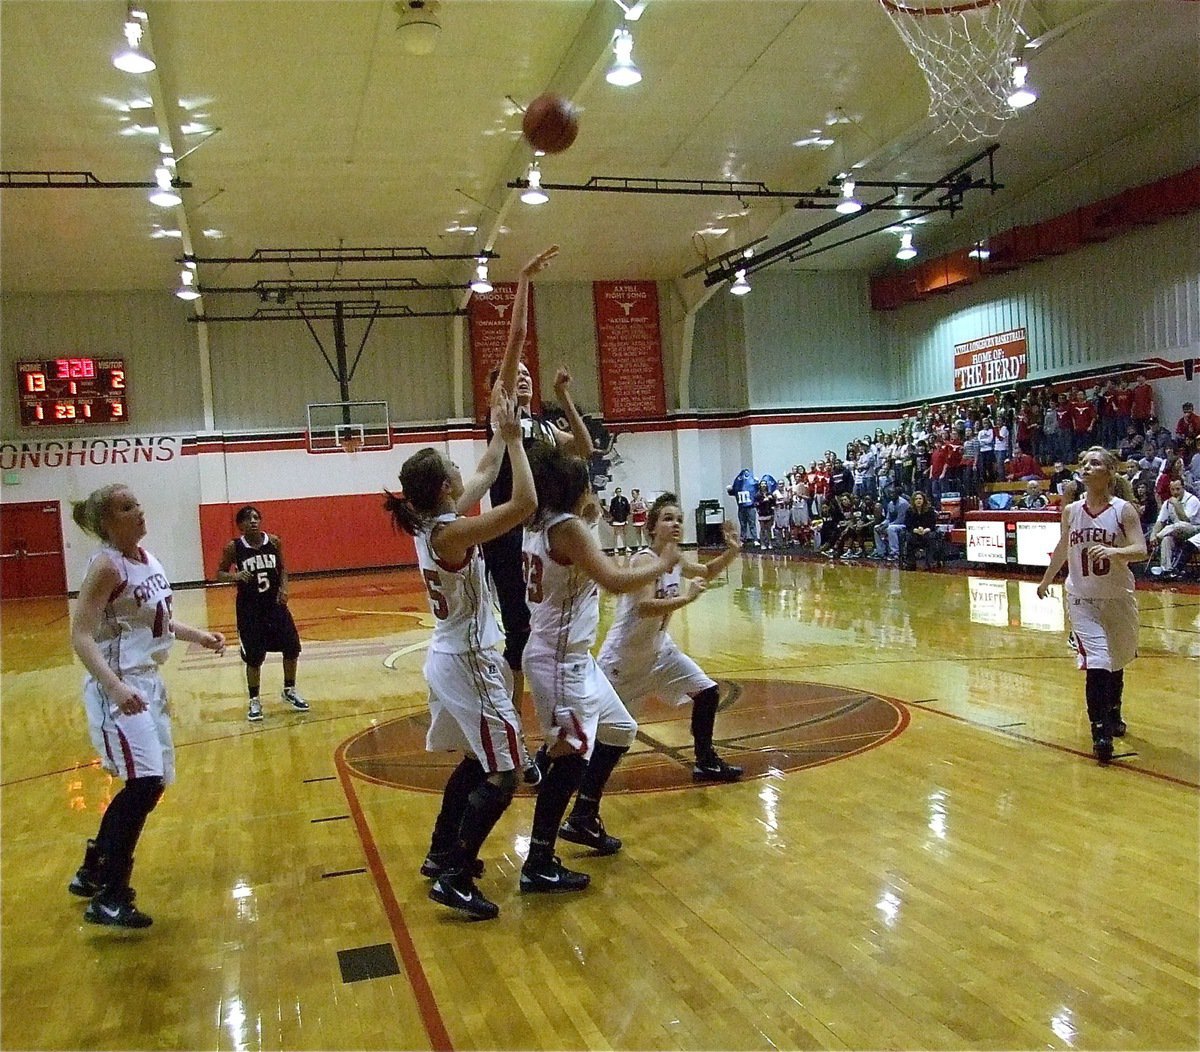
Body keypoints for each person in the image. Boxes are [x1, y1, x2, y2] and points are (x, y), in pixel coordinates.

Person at [384, 387, 536, 921]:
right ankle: (453, 876)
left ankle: (439, 853)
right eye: (456, 472)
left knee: (477, 762)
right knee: (505, 772)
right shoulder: (452, 532)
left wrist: (504, 422)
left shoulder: (434, 522)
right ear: (447, 488)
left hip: (451, 656)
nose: (463, 474)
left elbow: (489, 470)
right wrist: (518, 443)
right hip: (469, 662)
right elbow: (524, 505)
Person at [543, 497, 744, 855]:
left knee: (707, 691)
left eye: (679, 519)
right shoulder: (644, 560)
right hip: (623, 660)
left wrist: (731, 552)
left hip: (659, 652)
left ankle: (705, 760)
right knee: (595, 736)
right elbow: (645, 606)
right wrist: (685, 601)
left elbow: (705, 572)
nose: (676, 524)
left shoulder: (675, 558)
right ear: (651, 526)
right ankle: (548, 767)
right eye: (668, 519)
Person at [519, 443, 679, 893]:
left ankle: (583, 816)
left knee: (620, 729)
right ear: (575, 490)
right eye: (588, 482)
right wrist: (664, 563)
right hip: (557, 658)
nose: (594, 486)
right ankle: (539, 858)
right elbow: (613, 581)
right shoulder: (568, 528)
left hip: (573, 654)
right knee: (570, 758)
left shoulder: (542, 519)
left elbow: (579, 466)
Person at [68, 485, 226, 928]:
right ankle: (111, 894)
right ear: (106, 523)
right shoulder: (106, 566)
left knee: (151, 784)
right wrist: (115, 688)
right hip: (119, 689)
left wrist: (198, 635)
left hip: (147, 684)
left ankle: (93, 869)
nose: (138, 510)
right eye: (125, 507)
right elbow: (81, 636)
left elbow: (155, 619)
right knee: (144, 784)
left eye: (137, 502)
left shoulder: (146, 559)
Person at [483, 245, 594, 727]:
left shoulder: (547, 428)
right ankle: (513, 720)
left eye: (529, 376)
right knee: (518, 633)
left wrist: (566, 396)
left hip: (543, 535)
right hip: (508, 534)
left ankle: (556, 718)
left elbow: (586, 447)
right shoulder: (504, 418)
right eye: (516, 375)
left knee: (549, 629)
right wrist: (524, 279)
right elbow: (517, 338)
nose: (523, 378)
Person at [1037, 447, 1146, 764]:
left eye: (1094, 463)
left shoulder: (1123, 510)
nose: (1086, 467)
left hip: (1118, 598)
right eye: (1083, 463)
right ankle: (1099, 731)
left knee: (1117, 659)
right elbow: (1062, 547)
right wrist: (1047, 580)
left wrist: (1115, 553)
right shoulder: (1071, 511)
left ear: (1109, 472)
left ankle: (1113, 711)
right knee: (1097, 660)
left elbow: (1140, 549)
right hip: (1082, 598)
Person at [215, 506, 309, 721]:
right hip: (250, 609)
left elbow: (282, 568)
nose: (254, 522)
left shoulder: (274, 541)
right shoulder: (234, 547)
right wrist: (236, 575)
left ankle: (289, 690)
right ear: (240, 525)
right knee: (254, 657)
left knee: (292, 646)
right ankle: (254, 700)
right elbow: (218, 573)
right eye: (248, 519)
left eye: (256, 518)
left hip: (274, 605)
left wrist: (284, 589)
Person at [1146, 477, 1200, 578]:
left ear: (1183, 488)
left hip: (1194, 530)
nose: (1175, 492)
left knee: (1180, 525)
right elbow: (1160, 521)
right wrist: (1153, 534)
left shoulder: (1193, 500)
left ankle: (1159, 536)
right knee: (1167, 539)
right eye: (1172, 489)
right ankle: (1167, 570)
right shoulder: (1167, 503)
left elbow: (1186, 520)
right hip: (1176, 532)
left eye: (1178, 489)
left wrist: (1177, 505)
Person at [902, 490, 941, 569]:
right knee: (909, 537)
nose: (918, 500)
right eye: (916, 499)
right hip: (915, 532)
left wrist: (926, 529)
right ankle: (910, 562)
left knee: (931, 537)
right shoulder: (909, 511)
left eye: (920, 499)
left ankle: (931, 561)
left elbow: (932, 524)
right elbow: (908, 524)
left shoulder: (930, 510)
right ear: (913, 501)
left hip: (927, 531)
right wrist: (915, 530)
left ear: (924, 500)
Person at [606, 486, 630, 553]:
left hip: (624, 518)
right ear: (616, 493)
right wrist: (613, 515)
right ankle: (615, 547)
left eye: (620, 491)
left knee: (625, 533)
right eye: (617, 492)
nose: (619, 493)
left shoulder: (624, 499)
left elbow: (628, 508)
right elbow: (611, 509)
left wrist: (626, 514)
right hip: (616, 519)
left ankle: (626, 546)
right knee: (616, 534)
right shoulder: (613, 500)